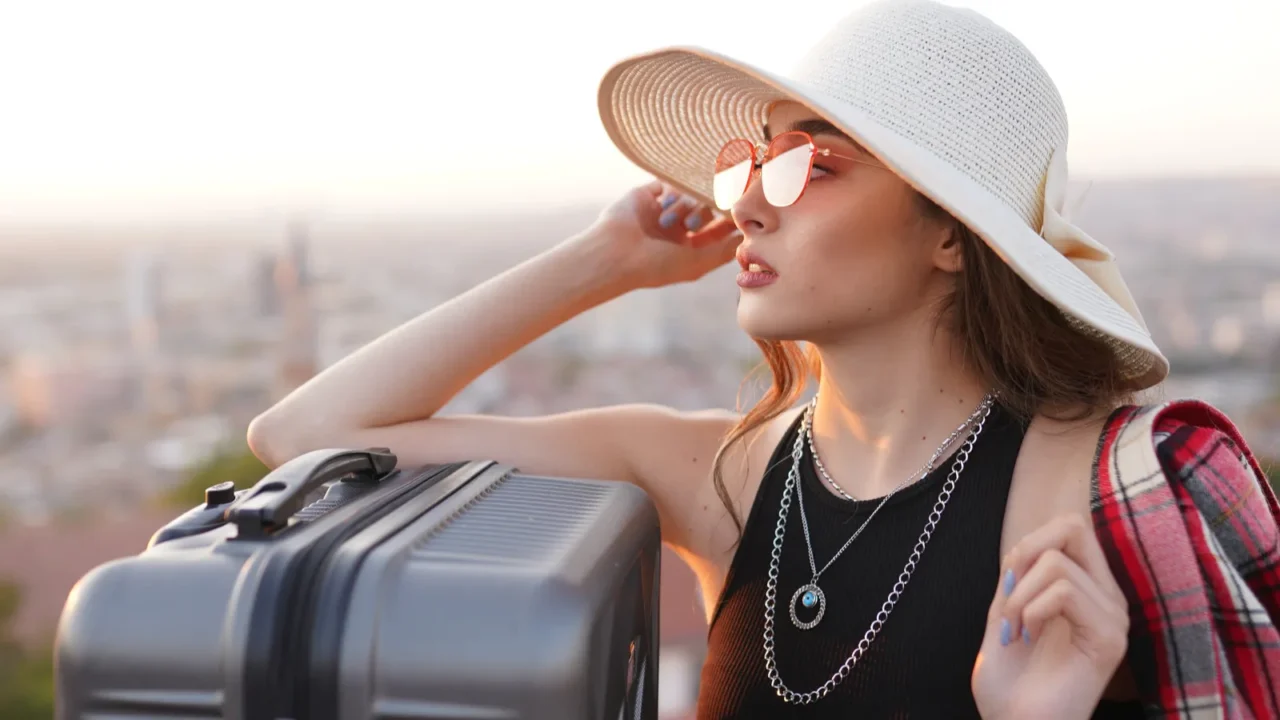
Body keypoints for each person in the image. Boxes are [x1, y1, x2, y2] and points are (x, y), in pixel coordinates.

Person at [247, 0, 1280, 717]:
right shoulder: (720, 478)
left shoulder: (1119, 498)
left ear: (954, 236)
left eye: (809, 164)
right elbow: (304, 439)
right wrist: (600, 260)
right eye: (750, 157)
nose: (743, 198)